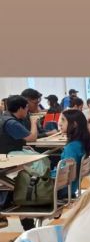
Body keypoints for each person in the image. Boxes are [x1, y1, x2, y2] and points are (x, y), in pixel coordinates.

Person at [0, 95, 42, 229]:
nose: (27, 111)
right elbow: (32, 137)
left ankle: (28, 231)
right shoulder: (12, 122)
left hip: (8, 158)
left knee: (19, 191)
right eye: (26, 108)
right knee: (23, 189)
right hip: (8, 161)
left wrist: (21, 147)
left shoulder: (6, 118)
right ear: (20, 109)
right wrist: (34, 122)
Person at [56, 109, 90, 196]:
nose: (60, 123)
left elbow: (64, 175)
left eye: (63, 120)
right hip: (71, 188)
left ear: (74, 124)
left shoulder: (71, 148)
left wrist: (48, 173)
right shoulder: (82, 143)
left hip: (61, 189)